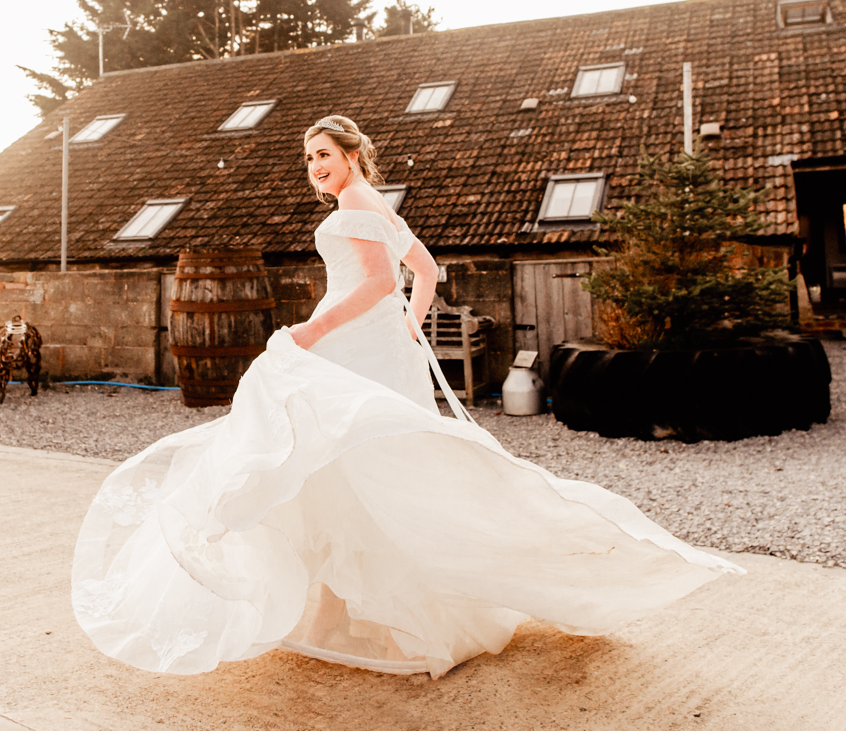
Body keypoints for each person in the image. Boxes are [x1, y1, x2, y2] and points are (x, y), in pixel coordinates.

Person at [72, 115, 743, 679]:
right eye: (309, 159)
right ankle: (340, 607)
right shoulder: (376, 206)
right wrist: (409, 326)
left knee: (346, 458)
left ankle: (372, 613)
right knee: (355, 462)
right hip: (375, 345)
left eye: (324, 155)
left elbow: (373, 284)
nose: (315, 167)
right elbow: (425, 270)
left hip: (351, 344)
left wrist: (313, 331)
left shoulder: (358, 206)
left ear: (352, 154)